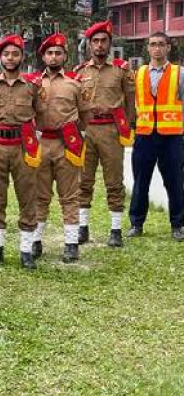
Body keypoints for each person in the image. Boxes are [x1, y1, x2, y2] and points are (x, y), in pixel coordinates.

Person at [0, 34, 45, 270]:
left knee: (28, 195)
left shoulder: (32, 86)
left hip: (23, 146)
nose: (10, 58)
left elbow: (39, 114)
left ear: (22, 56)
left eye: (15, 54)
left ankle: (26, 250)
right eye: (6, 54)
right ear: (0, 57)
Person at [75, 20, 134, 247]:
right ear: (89, 45)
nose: (99, 45)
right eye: (95, 41)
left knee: (114, 181)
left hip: (111, 130)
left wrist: (126, 127)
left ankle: (116, 229)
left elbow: (130, 102)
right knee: (84, 180)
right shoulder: (80, 72)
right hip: (87, 131)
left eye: (103, 41)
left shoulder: (121, 70)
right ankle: (82, 228)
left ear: (109, 44)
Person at [32, 33, 89, 263]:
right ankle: (35, 241)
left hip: (67, 143)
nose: (54, 57)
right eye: (50, 53)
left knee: (70, 195)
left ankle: (71, 243)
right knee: (39, 195)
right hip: (42, 142)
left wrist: (76, 132)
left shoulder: (76, 82)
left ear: (65, 55)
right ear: (43, 56)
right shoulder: (35, 83)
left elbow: (85, 114)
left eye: (58, 53)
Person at [128, 32, 184, 240]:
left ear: (169, 47)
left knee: (175, 182)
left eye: (161, 44)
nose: (157, 48)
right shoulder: (138, 73)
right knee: (141, 181)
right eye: (153, 44)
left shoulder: (179, 73)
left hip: (172, 137)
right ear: (148, 48)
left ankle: (178, 225)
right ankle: (136, 223)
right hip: (144, 136)